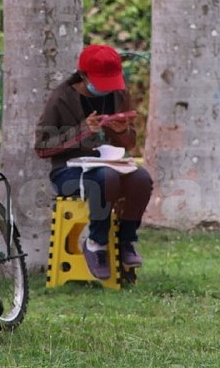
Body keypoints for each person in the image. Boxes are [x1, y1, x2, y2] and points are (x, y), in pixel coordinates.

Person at [34, 44, 153, 279]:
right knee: (105, 179)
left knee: (141, 178)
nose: (107, 89)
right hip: (68, 172)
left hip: (109, 165)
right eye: (102, 82)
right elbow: (42, 147)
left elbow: (128, 143)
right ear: (84, 75)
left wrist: (120, 131)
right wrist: (81, 131)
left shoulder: (118, 94)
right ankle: (96, 244)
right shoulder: (61, 98)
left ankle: (127, 240)